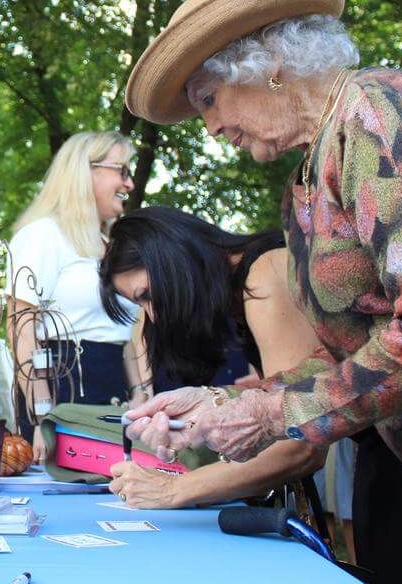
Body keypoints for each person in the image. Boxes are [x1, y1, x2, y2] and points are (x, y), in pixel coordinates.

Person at [122, 0, 402, 582]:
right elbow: (357, 352)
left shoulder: (379, 115)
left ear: (268, 64)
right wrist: (225, 402)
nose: (209, 127)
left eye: (208, 99)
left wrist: (273, 416)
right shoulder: (309, 179)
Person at [98, 207, 325, 509]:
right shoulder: (238, 294)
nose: (153, 316)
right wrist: (210, 411)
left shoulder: (264, 273)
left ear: (172, 259)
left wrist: (173, 490)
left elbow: (300, 440)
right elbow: (280, 403)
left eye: (147, 295)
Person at [6, 131, 144, 462]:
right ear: (85, 171)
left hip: (115, 395)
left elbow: (123, 334)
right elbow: (22, 330)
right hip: (62, 393)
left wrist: (141, 394)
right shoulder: (43, 235)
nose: (129, 184)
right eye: (122, 170)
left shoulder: (112, 247)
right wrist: (42, 416)